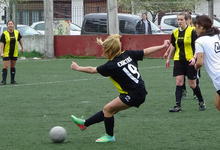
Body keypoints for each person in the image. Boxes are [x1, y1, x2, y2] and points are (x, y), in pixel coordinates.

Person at [70, 34, 169, 143]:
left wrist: (77, 68)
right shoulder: (128, 54)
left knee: (108, 109)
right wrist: (162, 46)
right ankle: (84, 124)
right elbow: (145, 51)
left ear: (108, 51)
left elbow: (92, 69)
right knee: (110, 110)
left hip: (133, 95)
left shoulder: (111, 66)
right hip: (139, 90)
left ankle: (109, 136)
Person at [166, 12, 206, 112]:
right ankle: (177, 106)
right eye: (178, 19)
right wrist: (168, 58)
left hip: (190, 61)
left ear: (186, 20)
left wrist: (194, 57)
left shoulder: (192, 31)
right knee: (179, 82)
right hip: (178, 60)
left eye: (181, 19)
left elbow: (198, 46)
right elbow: (173, 45)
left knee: (192, 84)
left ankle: (201, 101)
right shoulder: (175, 32)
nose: (179, 21)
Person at [193, 15, 220, 111]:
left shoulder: (200, 41)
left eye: (195, 26)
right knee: (218, 105)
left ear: (201, 26)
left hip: (218, 76)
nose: (195, 29)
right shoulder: (217, 35)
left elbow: (200, 62)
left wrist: (195, 68)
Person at [0, 20, 24, 85]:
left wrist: (22, 48)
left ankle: (12, 80)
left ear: (13, 25)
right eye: (9, 24)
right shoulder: (4, 34)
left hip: (14, 53)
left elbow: (20, 40)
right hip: (6, 53)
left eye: (11, 24)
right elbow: (1, 44)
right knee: (5, 66)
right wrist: (1, 52)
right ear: (7, 26)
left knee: (13, 66)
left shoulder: (17, 32)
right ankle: (3, 81)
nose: (10, 25)